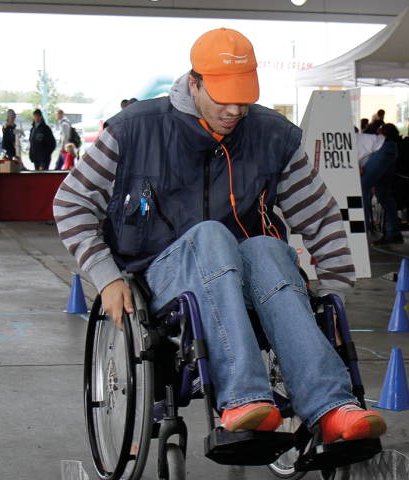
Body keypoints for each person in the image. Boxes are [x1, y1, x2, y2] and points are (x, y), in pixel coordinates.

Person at [54, 28, 386, 443]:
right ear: (193, 83)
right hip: (162, 275)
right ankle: (243, 398)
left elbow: (320, 216)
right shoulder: (134, 130)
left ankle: (332, 405)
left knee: (267, 247)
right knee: (210, 235)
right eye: (222, 97)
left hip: (249, 275)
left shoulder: (272, 136)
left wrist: (336, 298)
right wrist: (107, 276)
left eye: (243, 99)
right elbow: (70, 203)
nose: (234, 110)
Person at [360, 124, 403, 245]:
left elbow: (359, 170)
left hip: (381, 149)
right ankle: (393, 233)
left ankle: (361, 234)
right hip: (389, 148)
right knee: (383, 192)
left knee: (361, 189)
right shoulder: (355, 139)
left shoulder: (344, 145)